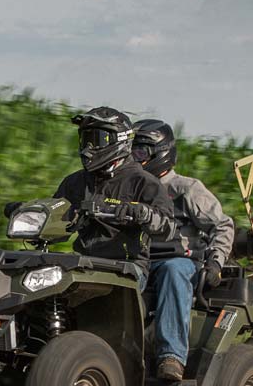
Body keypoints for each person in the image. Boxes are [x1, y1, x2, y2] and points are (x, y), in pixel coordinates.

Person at [133, 118, 234, 381]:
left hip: (179, 261)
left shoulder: (186, 189)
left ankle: (171, 357)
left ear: (161, 153)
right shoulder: (130, 188)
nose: (134, 158)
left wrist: (216, 262)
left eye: (140, 152)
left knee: (173, 269)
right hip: (137, 260)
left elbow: (222, 225)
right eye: (131, 151)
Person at [51, 107, 175, 280]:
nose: (88, 147)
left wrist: (143, 213)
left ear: (120, 140)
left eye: (97, 139)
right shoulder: (75, 181)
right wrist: (32, 213)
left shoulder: (143, 182)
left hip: (127, 267)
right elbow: (54, 221)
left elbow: (168, 228)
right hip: (83, 262)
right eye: (85, 139)